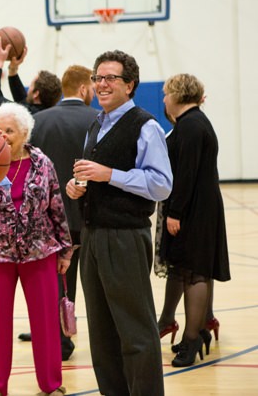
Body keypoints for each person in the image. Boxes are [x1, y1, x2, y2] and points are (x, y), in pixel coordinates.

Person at [66, 50, 172, 396]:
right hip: (94, 236)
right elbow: (93, 175)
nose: (102, 84)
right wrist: (78, 187)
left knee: (136, 331)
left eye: (111, 78)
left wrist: (109, 175)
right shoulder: (97, 122)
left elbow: (161, 184)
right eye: (98, 77)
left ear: (130, 85)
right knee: (101, 333)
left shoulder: (146, 125)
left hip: (126, 236)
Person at [0, 102, 72, 396]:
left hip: (40, 251)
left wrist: (65, 249)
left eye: (9, 130)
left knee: (46, 321)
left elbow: (57, 207)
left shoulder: (43, 163)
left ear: (24, 133)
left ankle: (51, 385)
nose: (3, 135)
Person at [155, 74, 230, 367]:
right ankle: (196, 332)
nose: (163, 99)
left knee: (195, 272)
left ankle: (191, 338)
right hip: (202, 206)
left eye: (165, 94)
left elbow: (184, 175)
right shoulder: (195, 123)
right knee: (191, 270)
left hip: (193, 210)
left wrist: (175, 212)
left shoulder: (189, 127)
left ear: (176, 94)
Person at [28, 64, 98, 360]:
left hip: (50, 219)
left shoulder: (38, 121)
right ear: (83, 89)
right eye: (93, 87)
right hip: (91, 215)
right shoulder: (99, 119)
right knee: (96, 285)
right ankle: (103, 344)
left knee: (56, 284)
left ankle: (60, 344)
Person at [0, 36, 61, 113]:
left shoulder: (27, 114)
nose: (28, 90)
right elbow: (23, 101)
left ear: (36, 94)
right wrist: (13, 69)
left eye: (31, 86)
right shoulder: (49, 113)